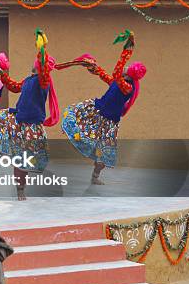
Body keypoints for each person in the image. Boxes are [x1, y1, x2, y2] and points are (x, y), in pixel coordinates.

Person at [62, 32, 146, 184]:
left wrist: (127, 51)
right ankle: (74, 135)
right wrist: (92, 66)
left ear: (131, 73)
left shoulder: (127, 86)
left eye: (129, 66)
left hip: (109, 122)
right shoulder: (118, 82)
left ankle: (95, 177)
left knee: (104, 153)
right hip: (97, 111)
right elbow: (105, 75)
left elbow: (116, 72)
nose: (126, 66)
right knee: (73, 114)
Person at [0, 33, 58, 201]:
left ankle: (20, 189)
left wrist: (42, 49)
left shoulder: (43, 81)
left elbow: (44, 71)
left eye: (37, 61)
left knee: (23, 159)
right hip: (17, 121)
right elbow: (15, 87)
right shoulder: (29, 80)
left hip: (31, 126)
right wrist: (2, 75)